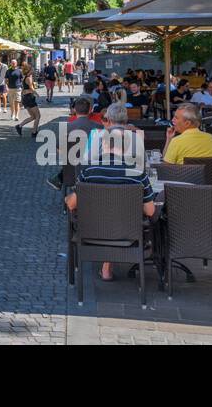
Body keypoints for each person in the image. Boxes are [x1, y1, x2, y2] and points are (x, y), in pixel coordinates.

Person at [64, 120, 156, 281]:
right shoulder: (137, 173)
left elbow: (72, 204)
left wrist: (68, 197)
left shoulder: (89, 171)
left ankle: (105, 266)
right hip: (128, 232)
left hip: (92, 229)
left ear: (104, 143)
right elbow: (150, 211)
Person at [14, 72, 42, 137]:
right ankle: (34, 132)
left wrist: (22, 100)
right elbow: (31, 88)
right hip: (29, 98)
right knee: (38, 116)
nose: (32, 72)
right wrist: (37, 94)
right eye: (31, 71)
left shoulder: (25, 78)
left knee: (33, 116)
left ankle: (19, 126)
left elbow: (23, 89)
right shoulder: (29, 78)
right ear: (29, 71)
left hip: (25, 98)